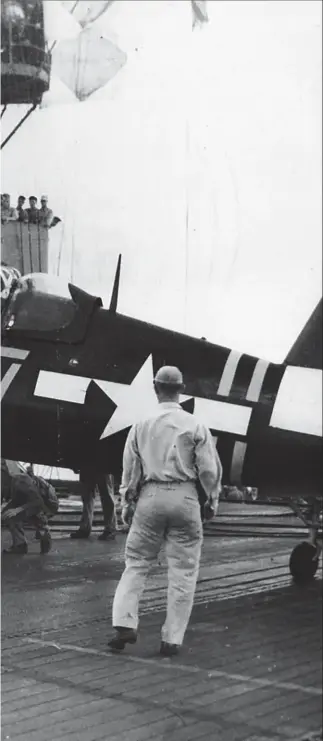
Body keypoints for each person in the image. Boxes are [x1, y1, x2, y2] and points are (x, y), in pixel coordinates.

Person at [109, 365, 222, 656]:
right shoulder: (195, 425)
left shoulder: (140, 424)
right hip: (185, 498)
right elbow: (209, 470)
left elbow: (130, 470)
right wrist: (211, 501)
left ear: (155, 388)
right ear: (182, 390)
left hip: (150, 496)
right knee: (183, 571)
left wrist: (126, 503)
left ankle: (124, 623)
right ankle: (171, 639)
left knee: (136, 563)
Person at [1, 460, 58, 555]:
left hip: (45, 505)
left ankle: (44, 533)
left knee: (35, 518)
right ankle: (20, 545)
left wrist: (17, 510)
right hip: (25, 501)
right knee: (7, 514)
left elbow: (38, 501)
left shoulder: (20, 480)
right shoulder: (5, 481)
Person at [70, 468, 117, 541]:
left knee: (106, 495)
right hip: (88, 464)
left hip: (102, 463)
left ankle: (110, 529)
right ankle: (85, 528)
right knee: (87, 496)